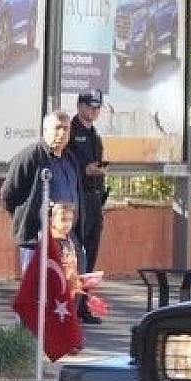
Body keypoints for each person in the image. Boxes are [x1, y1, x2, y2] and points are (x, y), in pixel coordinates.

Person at [0, 110, 81, 271]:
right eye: (58, 128)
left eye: (66, 128)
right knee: (36, 291)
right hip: (36, 241)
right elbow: (8, 194)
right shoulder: (31, 156)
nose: (62, 133)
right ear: (45, 131)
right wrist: (27, 218)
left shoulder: (70, 159)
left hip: (65, 240)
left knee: (63, 291)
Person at [67, 90, 109, 323]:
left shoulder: (94, 135)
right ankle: (71, 306)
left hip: (94, 201)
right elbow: (67, 166)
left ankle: (83, 305)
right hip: (77, 201)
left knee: (91, 255)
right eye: (91, 107)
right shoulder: (71, 132)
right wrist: (86, 170)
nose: (94, 111)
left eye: (97, 108)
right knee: (75, 256)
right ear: (80, 106)